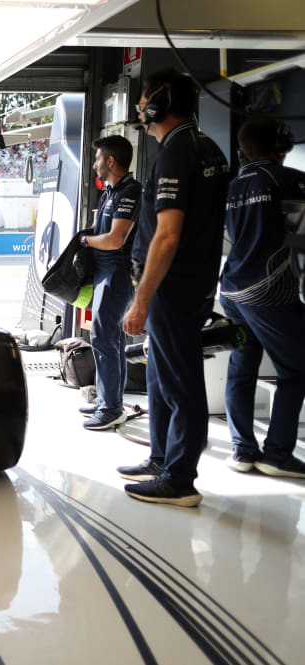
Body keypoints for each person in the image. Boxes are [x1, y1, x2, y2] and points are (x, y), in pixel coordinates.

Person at [118, 69, 230, 507]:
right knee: (165, 378)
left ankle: (180, 477)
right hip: (192, 283)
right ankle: (162, 458)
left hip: (173, 289)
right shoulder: (206, 146)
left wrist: (141, 301)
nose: (139, 109)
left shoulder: (176, 152)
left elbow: (167, 235)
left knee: (181, 384)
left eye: (143, 100)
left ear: (158, 104)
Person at [218, 117, 305, 478]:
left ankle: (242, 449)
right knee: (297, 370)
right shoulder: (289, 180)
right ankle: (278, 454)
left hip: (232, 291)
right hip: (269, 291)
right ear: (281, 147)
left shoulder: (232, 184)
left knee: (241, 369)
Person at [79, 135, 141, 430]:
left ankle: (110, 408)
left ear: (111, 161)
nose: (95, 164)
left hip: (117, 272)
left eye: (98, 158)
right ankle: (109, 399)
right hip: (104, 271)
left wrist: (84, 241)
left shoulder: (130, 192)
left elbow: (116, 239)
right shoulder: (110, 193)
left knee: (103, 338)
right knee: (110, 338)